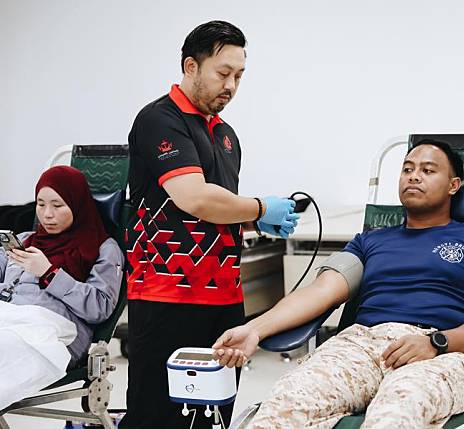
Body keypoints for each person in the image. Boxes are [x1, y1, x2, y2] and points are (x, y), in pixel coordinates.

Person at [213, 141, 464, 428]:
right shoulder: (369, 242)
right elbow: (320, 292)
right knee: (285, 405)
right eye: (407, 169)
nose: (413, 177)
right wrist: (254, 329)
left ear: (454, 186)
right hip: (363, 345)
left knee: (395, 414)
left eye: (428, 170)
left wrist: (436, 343)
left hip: (444, 351)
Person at [120, 20, 299, 429]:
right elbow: (195, 198)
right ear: (190, 67)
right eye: (223, 73)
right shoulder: (159, 120)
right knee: (157, 416)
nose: (232, 86)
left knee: (213, 415)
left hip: (224, 300)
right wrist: (258, 207)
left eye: (239, 76)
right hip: (167, 298)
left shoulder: (226, 135)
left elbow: (210, 216)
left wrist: (257, 224)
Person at [0, 166, 123, 410]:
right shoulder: (25, 240)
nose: (47, 215)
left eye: (58, 206)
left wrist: (49, 273)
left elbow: (100, 307)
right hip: (8, 318)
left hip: (51, 330)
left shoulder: (103, 248)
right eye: (41, 204)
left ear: (77, 205)